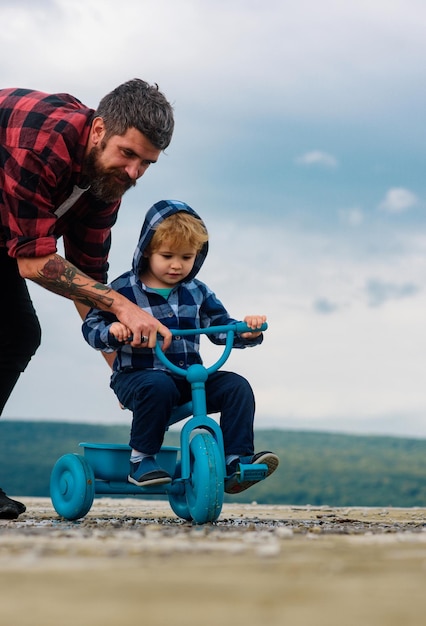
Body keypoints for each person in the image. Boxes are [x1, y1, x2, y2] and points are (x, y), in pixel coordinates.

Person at [0, 79, 175, 519]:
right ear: (98, 130)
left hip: (8, 234)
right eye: (128, 154)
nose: (134, 172)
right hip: (17, 240)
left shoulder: (105, 183)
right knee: (15, 331)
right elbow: (36, 261)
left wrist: (122, 371)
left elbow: (88, 277)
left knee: (16, 334)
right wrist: (122, 307)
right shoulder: (43, 144)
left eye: (146, 163)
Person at [82, 199, 279, 494]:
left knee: (236, 386)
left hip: (188, 377)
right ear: (147, 249)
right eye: (167, 255)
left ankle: (235, 461)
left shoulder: (197, 290)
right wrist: (114, 330)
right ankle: (142, 459)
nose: (177, 265)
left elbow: (220, 327)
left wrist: (246, 332)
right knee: (157, 385)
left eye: (187, 257)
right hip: (137, 377)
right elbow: (92, 328)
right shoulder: (123, 290)